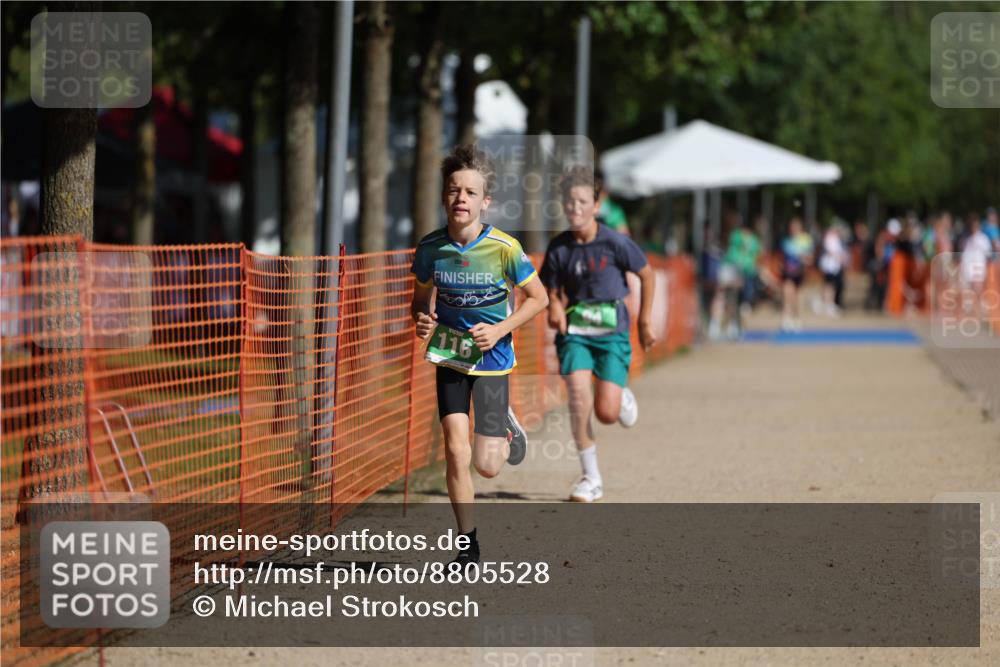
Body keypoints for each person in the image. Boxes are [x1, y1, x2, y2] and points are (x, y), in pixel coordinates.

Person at [411, 145, 549, 566]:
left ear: (485, 201)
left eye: (471, 193)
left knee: (488, 467)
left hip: (492, 362)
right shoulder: (431, 248)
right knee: (456, 450)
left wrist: (500, 329)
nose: (461, 199)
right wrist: (422, 319)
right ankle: (467, 545)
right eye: (454, 191)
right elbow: (419, 300)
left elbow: (538, 299)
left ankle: (505, 428)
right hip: (451, 355)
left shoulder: (505, 248)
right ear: (443, 197)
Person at [540, 166, 656, 503]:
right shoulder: (559, 248)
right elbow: (549, 286)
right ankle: (591, 478)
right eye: (569, 202)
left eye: (582, 201)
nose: (575, 208)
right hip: (575, 333)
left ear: (596, 203)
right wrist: (555, 305)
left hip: (612, 333)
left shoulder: (616, 242)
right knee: (578, 397)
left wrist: (644, 322)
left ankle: (620, 396)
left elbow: (647, 275)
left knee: (606, 412)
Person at [779, 216, 814, 332]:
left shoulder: (806, 240)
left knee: (798, 297)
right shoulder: (786, 241)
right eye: (791, 227)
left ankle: (797, 319)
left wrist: (804, 259)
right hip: (788, 272)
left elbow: (810, 257)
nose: (793, 229)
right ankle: (786, 319)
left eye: (795, 227)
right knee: (788, 295)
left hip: (800, 273)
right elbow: (783, 257)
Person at [818, 223, 848, 316]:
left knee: (832, 286)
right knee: (829, 285)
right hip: (830, 266)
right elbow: (831, 251)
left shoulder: (837, 239)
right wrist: (839, 257)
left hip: (835, 267)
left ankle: (829, 303)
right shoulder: (830, 237)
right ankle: (827, 303)